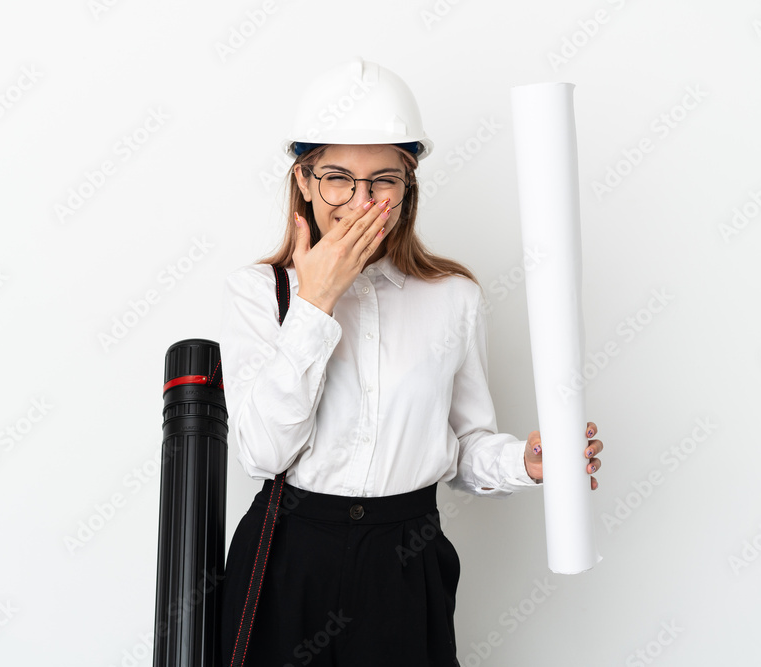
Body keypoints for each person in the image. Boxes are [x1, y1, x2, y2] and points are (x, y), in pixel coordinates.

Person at [218, 58, 604, 667]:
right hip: (287, 556)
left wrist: (527, 462)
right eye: (339, 177)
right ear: (304, 179)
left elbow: (463, 447)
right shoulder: (259, 293)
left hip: (405, 557)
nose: (361, 202)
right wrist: (316, 303)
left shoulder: (454, 297)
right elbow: (262, 453)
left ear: (409, 184)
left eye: (384, 181)